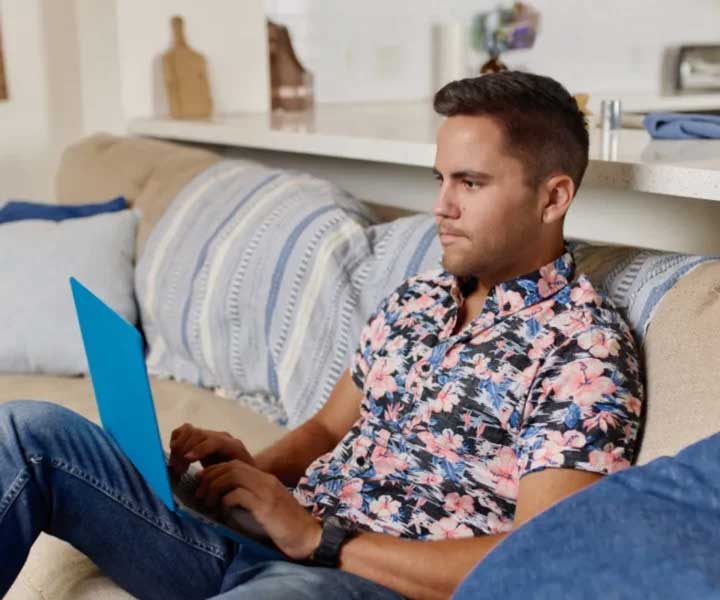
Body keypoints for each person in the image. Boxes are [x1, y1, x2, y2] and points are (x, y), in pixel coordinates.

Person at [0, 71, 643, 600]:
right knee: (29, 432)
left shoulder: (583, 351)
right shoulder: (418, 299)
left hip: (358, 582)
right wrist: (244, 472)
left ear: (553, 197)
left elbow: (540, 559)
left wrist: (320, 541)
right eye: (440, 180)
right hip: (265, 537)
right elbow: (328, 431)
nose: (441, 206)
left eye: (470, 183)